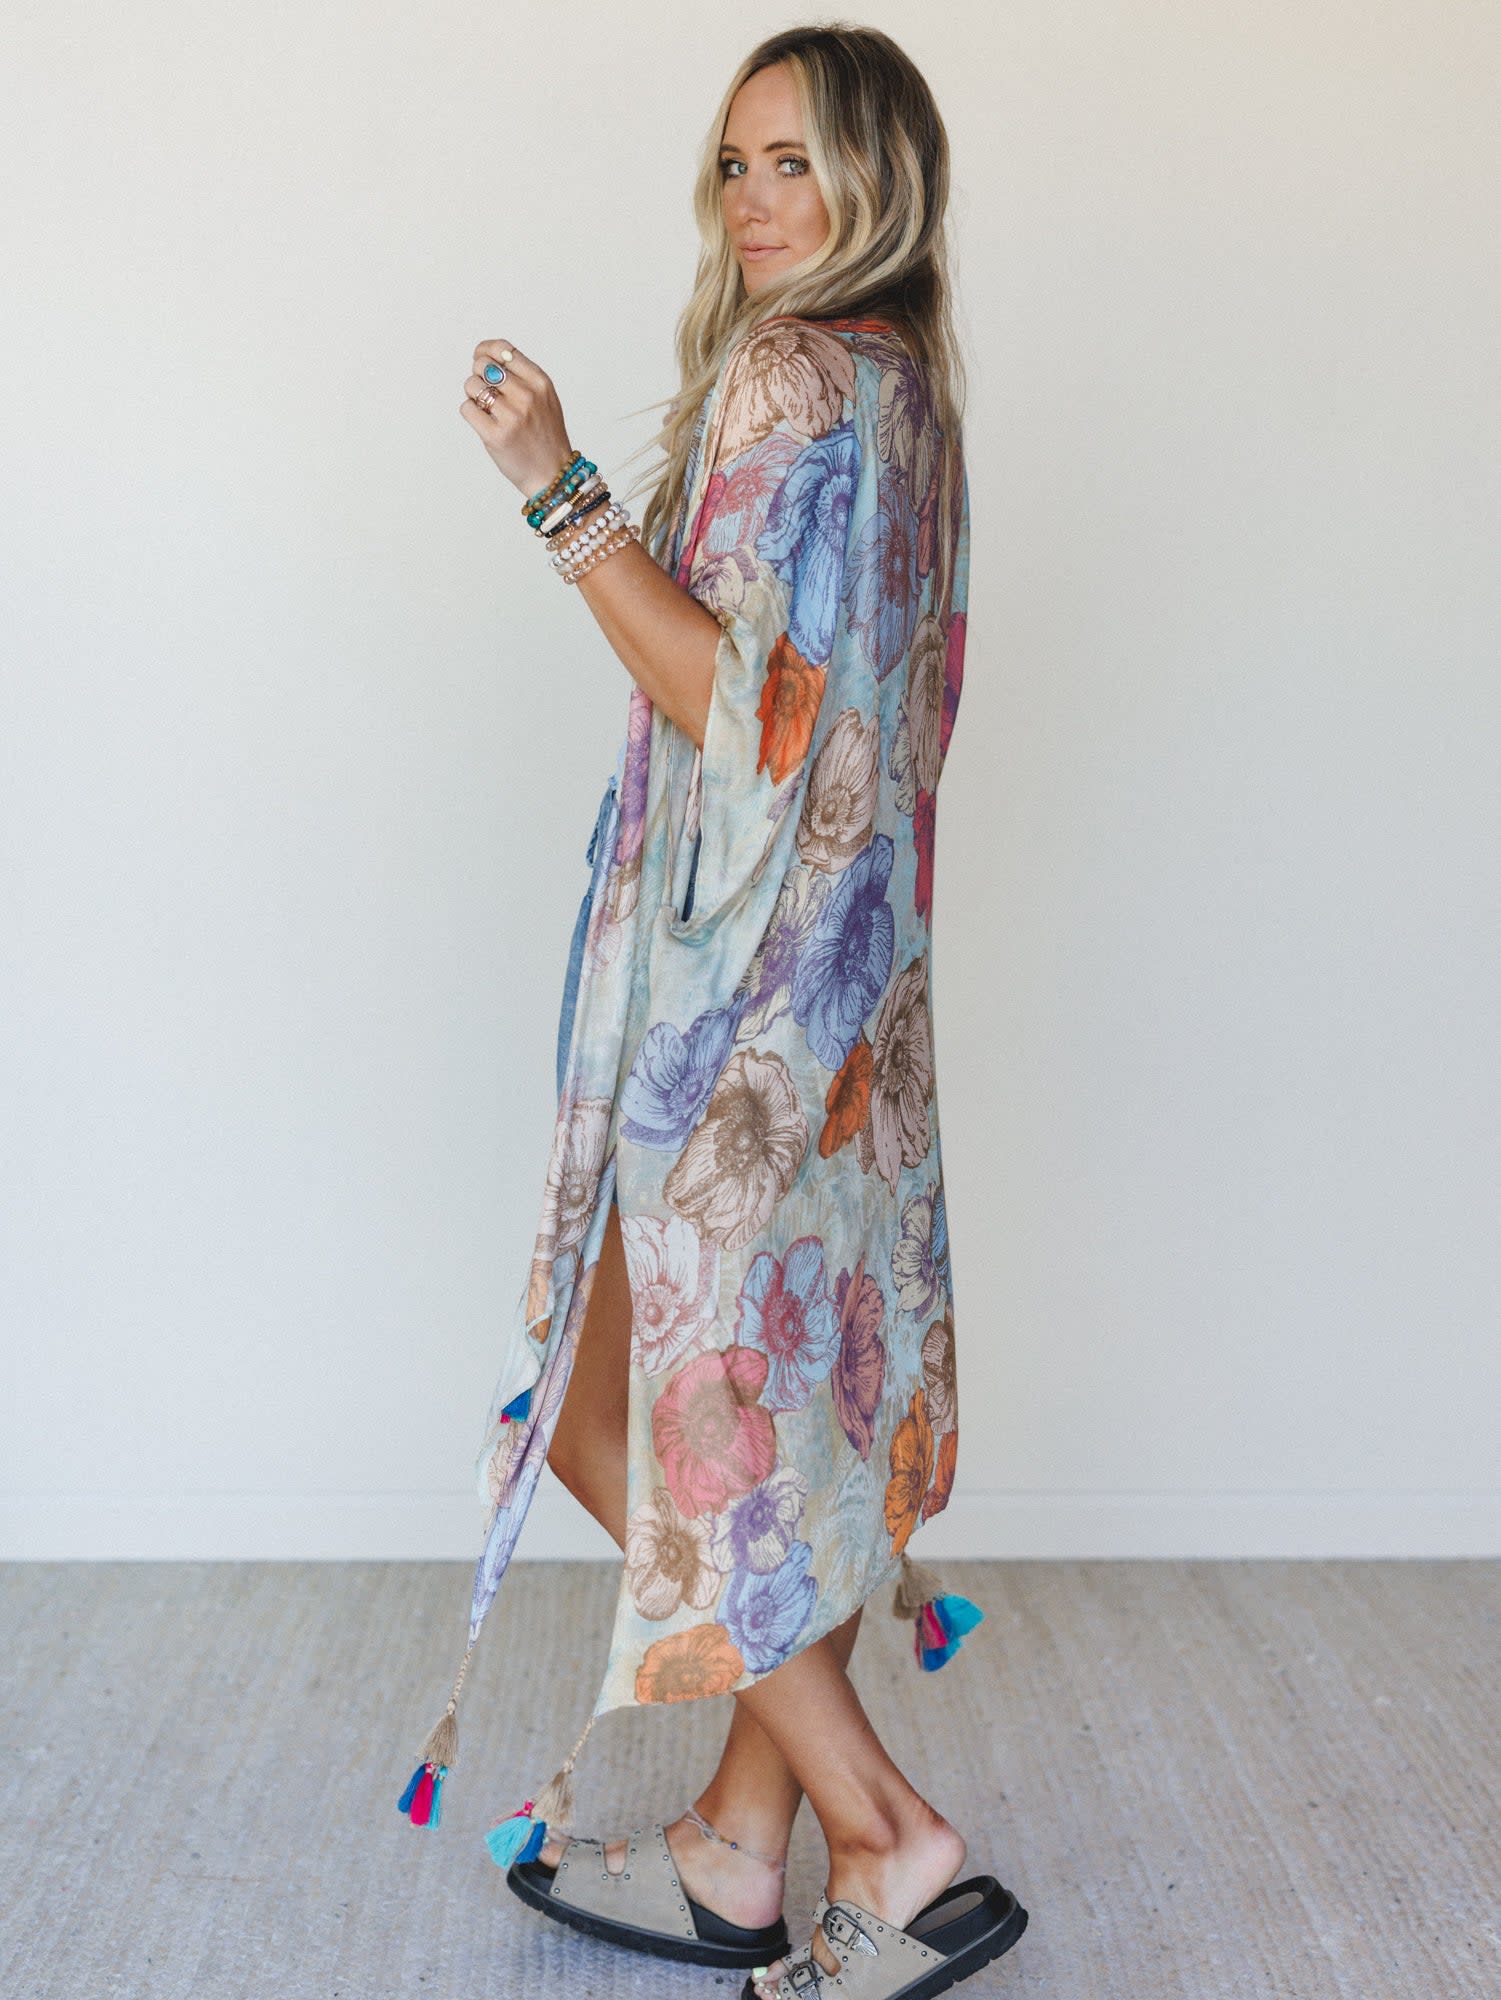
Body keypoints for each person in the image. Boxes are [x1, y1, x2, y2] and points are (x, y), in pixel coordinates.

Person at [401, 24, 1029, 2000]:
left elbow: (744, 719)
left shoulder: (788, 376)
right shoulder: (911, 386)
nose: (752, 201)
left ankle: (885, 1833)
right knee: (766, 1441)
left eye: (795, 162)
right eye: (735, 164)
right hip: (851, 1015)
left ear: (879, 180)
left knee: (620, 1423)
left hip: (734, 1016)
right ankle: (733, 1851)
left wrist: (557, 492)